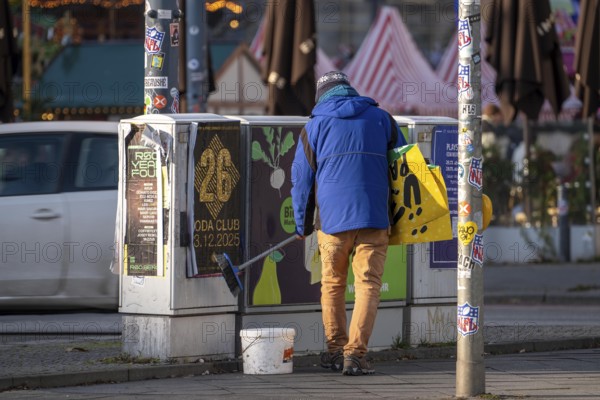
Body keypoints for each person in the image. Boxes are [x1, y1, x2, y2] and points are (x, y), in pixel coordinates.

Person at [291, 71, 406, 376]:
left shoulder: (314, 126)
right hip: (374, 217)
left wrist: (301, 226)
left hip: (332, 220)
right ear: (350, 91)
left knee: (333, 284)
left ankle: (334, 349)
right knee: (368, 284)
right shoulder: (383, 119)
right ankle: (355, 355)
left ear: (321, 97)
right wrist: (401, 216)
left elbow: (301, 180)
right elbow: (405, 166)